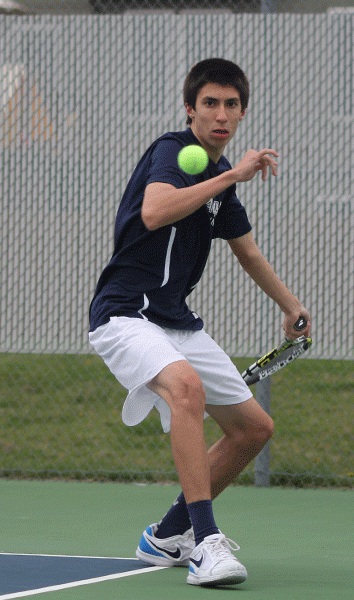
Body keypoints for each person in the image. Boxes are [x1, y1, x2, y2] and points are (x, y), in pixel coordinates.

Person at [88, 58, 311, 587]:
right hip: (125, 313)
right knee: (185, 388)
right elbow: (154, 211)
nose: (221, 114)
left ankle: (166, 535)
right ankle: (205, 546)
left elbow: (247, 252)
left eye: (231, 105)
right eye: (210, 103)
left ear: (240, 113)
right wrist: (231, 174)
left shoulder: (221, 182)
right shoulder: (173, 152)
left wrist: (289, 304)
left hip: (176, 320)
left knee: (254, 428)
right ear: (191, 110)